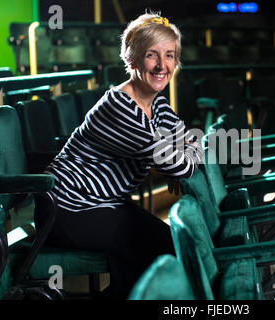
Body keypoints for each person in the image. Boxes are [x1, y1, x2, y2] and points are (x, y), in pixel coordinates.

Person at [34, 11, 203, 299]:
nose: (162, 65)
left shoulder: (157, 105)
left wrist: (185, 151)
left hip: (104, 204)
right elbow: (181, 165)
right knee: (165, 246)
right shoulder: (119, 106)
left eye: (170, 55)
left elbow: (191, 141)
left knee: (168, 244)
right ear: (133, 59)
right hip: (68, 209)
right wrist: (181, 155)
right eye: (152, 55)